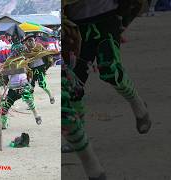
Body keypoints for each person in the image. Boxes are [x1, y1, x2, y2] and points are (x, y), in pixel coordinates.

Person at [65, 0, 152, 135]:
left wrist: (124, 21)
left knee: (110, 70)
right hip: (76, 25)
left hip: (107, 18)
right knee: (73, 83)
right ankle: (77, 134)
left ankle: (137, 104)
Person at [62, 1, 106, 179]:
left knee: (70, 92)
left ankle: (90, 162)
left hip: (74, 31)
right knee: (71, 90)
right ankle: (91, 163)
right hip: (70, 29)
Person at [0, 43, 42, 129]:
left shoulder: (23, 60)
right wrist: (7, 74)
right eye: (21, 51)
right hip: (13, 89)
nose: (22, 53)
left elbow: (29, 71)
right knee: (4, 109)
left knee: (29, 101)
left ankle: (37, 116)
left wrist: (28, 78)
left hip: (23, 86)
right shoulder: (8, 61)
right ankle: (4, 124)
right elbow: (4, 75)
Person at [23, 34, 58, 104]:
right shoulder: (26, 50)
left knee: (42, 84)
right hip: (31, 70)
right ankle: (31, 102)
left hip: (40, 68)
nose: (30, 42)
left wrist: (49, 59)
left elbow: (46, 53)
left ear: (34, 40)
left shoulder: (39, 46)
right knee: (31, 87)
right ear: (26, 42)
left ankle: (51, 96)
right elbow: (25, 59)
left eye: (31, 40)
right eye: (28, 41)